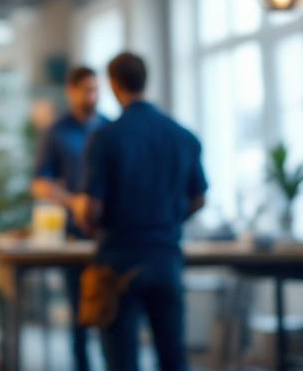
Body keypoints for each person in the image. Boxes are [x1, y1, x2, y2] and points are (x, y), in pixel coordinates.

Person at [77, 52, 207, 371]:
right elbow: (200, 198)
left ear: (113, 84)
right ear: (145, 81)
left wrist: (87, 220)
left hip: (119, 262)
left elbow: (93, 207)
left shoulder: (105, 138)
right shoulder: (183, 136)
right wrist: (170, 220)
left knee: (123, 360)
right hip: (166, 257)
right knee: (173, 357)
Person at [32, 66, 110, 371]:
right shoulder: (57, 131)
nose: (92, 96)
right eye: (86, 89)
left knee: (110, 313)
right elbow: (40, 182)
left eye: (96, 89)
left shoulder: (109, 128)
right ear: (71, 91)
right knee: (80, 315)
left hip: (107, 236)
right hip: (73, 235)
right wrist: (72, 202)